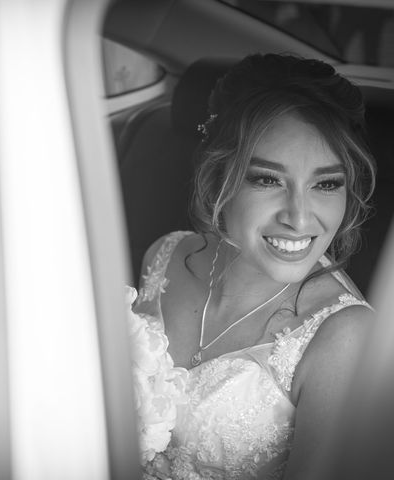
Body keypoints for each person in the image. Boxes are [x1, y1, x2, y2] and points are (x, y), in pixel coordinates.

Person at [127, 53, 377, 480]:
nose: (299, 218)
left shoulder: (346, 339)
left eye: (326, 183)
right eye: (268, 179)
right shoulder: (164, 257)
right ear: (218, 174)